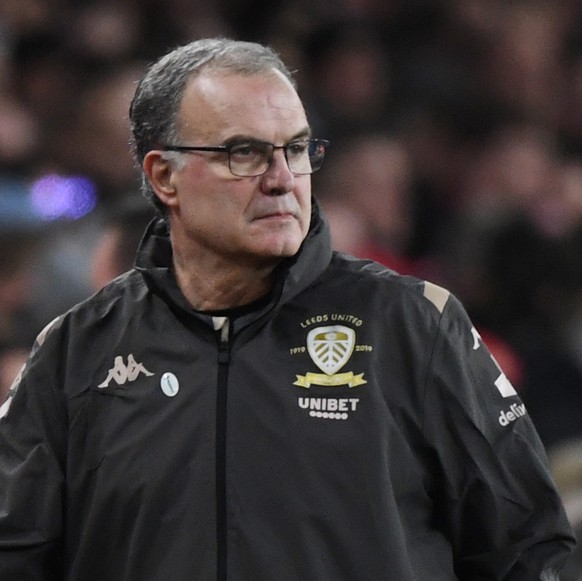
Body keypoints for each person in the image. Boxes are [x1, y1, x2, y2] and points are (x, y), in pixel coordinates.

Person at [0, 37, 574, 581]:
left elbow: (526, 547)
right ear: (163, 176)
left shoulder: (412, 326)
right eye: (244, 153)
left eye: (296, 149)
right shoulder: (79, 350)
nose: (282, 179)